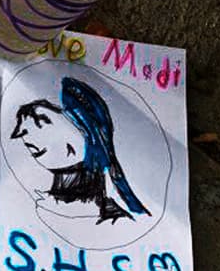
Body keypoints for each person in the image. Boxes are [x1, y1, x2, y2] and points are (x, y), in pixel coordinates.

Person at [10, 77, 148, 225]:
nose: (26, 138)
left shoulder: (114, 216)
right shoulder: (38, 204)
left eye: (41, 123)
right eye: (23, 132)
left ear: (84, 128)